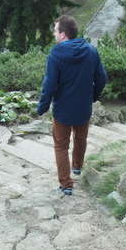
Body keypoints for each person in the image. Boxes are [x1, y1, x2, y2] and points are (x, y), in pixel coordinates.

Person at [36, 15, 108, 196]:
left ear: (62, 34)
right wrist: (93, 96)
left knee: (61, 146)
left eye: (55, 30)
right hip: (83, 107)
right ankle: (77, 167)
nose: (54, 34)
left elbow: (49, 84)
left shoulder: (56, 54)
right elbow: (102, 78)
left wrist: (42, 107)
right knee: (80, 138)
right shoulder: (91, 51)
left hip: (63, 109)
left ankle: (66, 184)